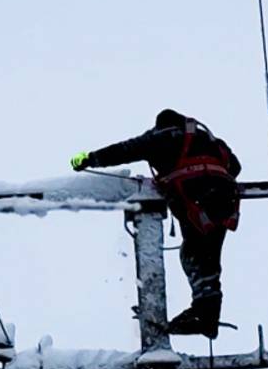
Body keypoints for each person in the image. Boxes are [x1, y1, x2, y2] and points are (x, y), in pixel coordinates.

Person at [70, 109, 241, 338]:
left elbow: (126, 149)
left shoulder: (163, 137)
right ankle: (207, 314)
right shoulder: (209, 139)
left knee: (193, 254)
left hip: (196, 196)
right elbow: (235, 167)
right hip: (224, 198)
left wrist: (89, 159)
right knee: (207, 257)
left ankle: (204, 315)